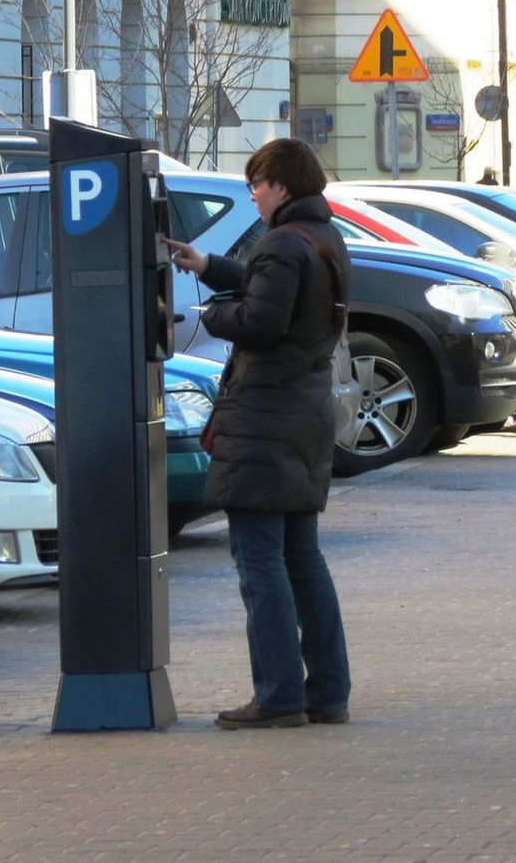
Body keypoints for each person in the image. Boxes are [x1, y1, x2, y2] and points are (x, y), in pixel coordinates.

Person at [163, 138, 352, 730]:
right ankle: (327, 693)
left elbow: (263, 319)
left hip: (266, 417)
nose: (253, 194)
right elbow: (280, 289)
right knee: (303, 558)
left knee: (260, 562)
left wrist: (212, 313)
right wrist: (211, 264)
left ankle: (277, 697)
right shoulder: (322, 238)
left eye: (258, 184)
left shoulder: (280, 243)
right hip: (305, 412)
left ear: (282, 187)